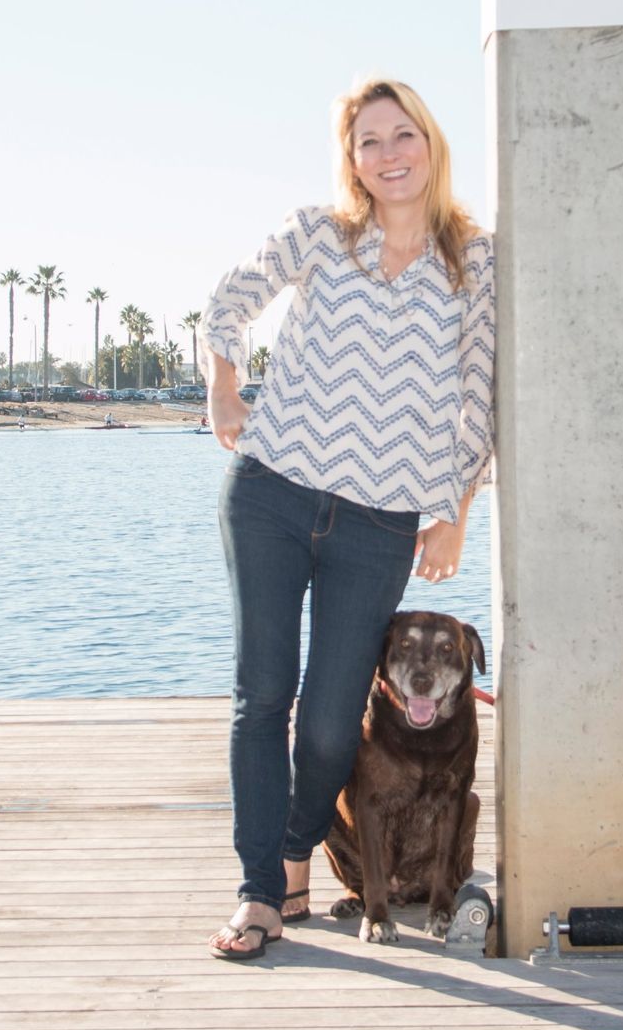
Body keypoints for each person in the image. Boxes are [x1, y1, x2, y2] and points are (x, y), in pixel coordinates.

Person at [199, 78, 496, 961]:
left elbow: (479, 396)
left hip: (381, 522)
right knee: (263, 697)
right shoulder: (320, 233)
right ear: (352, 159)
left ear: (431, 145)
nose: (390, 154)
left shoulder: (474, 260)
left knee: (333, 723)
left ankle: (294, 849)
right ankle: (261, 891)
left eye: (404, 135)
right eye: (370, 141)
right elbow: (229, 299)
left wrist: (455, 513)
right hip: (272, 496)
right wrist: (224, 384)